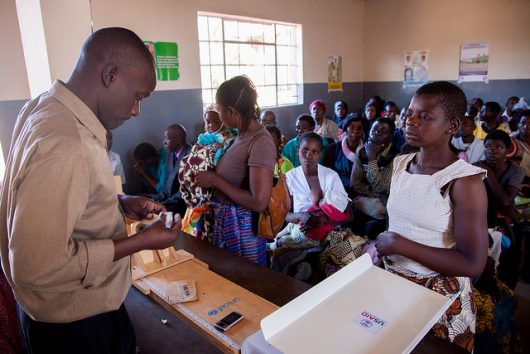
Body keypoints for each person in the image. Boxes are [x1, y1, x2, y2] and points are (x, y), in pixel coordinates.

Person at [0, 27, 181, 354]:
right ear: (111, 74)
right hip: (74, 328)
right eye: (138, 97)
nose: (135, 111)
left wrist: (116, 202)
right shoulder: (67, 142)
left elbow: (42, 197)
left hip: (57, 317)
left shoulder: (42, 108)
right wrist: (140, 241)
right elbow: (36, 266)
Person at [375, 81, 488, 352]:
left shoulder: (463, 181)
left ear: (452, 125)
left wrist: (398, 245)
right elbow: (404, 223)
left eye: (425, 117)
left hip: (439, 296)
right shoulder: (402, 164)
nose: (411, 122)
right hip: (394, 283)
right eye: (409, 113)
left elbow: (473, 263)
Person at [195, 76, 276, 266]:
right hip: (226, 223)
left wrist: (215, 180)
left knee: (246, 284)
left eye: (220, 110)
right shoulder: (239, 135)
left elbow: (258, 201)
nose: (219, 115)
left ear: (231, 111)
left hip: (243, 231)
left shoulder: (260, 142)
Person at [268, 132, 352, 252]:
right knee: (281, 240)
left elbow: (348, 215)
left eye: (315, 151)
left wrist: (322, 220)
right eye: (305, 150)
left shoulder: (330, 176)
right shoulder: (289, 178)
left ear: (320, 154)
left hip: (326, 231)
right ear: (297, 151)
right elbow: (283, 214)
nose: (309, 155)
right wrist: (299, 215)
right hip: (299, 226)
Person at [475, 130, 524, 289]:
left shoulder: (515, 171)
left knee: (508, 264)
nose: (492, 150)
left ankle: (507, 292)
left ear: (507, 150)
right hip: (481, 219)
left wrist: (487, 173)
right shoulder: (475, 167)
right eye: (488, 146)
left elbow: (505, 201)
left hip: (505, 222)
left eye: (499, 147)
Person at [350, 117, 398, 239]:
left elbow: (383, 186)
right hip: (372, 200)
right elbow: (355, 183)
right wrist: (378, 194)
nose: (377, 132)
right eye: (375, 129)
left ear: (391, 136)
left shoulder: (396, 157)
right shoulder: (361, 153)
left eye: (383, 131)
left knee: (377, 215)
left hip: (384, 206)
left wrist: (372, 158)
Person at [157, 124, 191, 216]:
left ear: (179, 140)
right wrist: (159, 199)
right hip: (170, 199)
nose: (164, 142)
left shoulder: (191, 155)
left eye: (167, 138)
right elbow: (167, 181)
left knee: (163, 214)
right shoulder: (170, 154)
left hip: (182, 201)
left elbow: (186, 188)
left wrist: (167, 202)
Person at [325, 114, 364, 193]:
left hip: (360, 192)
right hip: (336, 190)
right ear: (346, 129)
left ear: (363, 132)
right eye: (352, 128)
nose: (355, 131)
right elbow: (327, 173)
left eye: (359, 129)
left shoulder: (366, 150)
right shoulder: (333, 148)